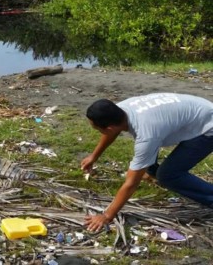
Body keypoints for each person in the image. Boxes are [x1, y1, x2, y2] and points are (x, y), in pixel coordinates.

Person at [82, 93, 213, 232]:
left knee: (168, 175)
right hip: (198, 111)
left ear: (109, 127)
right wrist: (94, 156)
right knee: (147, 157)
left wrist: (106, 215)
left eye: (96, 128)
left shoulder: (146, 135)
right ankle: (152, 172)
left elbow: (131, 183)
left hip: (208, 127)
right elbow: (111, 131)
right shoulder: (120, 109)